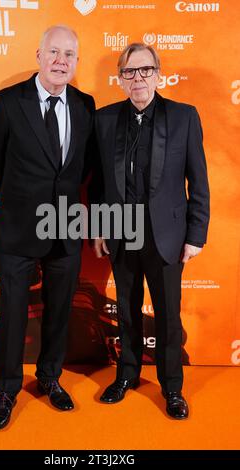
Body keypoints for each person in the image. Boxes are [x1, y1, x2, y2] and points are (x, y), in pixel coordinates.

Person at [0, 25, 95, 429]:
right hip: (17, 228)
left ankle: (50, 377)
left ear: (76, 62)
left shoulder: (85, 105)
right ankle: (7, 389)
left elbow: (85, 169)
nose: (61, 60)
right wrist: (19, 202)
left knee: (60, 310)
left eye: (69, 54)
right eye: (54, 52)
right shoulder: (9, 102)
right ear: (39, 55)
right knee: (12, 312)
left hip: (65, 228)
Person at [93, 43, 210, 419]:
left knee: (167, 315)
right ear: (121, 79)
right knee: (126, 310)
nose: (138, 78)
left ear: (158, 74)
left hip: (169, 237)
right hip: (120, 231)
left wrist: (196, 235)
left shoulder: (184, 117)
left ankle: (172, 387)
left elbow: (199, 182)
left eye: (145, 70)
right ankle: (126, 375)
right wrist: (98, 228)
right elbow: (97, 185)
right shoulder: (104, 119)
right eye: (129, 72)